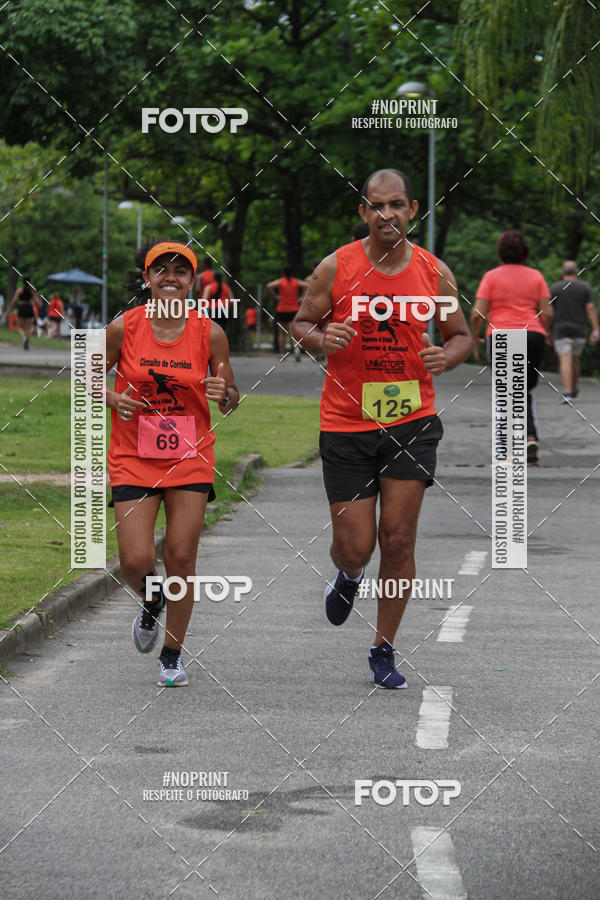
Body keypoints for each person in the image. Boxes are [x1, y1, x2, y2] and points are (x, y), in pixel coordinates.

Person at [292, 168, 472, 689]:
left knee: (397, 539)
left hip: (412, 422)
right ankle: (348, 576)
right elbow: (302, 323)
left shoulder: (435, 273)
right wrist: (321, 338)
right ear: (363, 212)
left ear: (413, 210)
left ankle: (384, 647)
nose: (386, 215)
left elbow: (461, 335)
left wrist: (448, 356)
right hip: (346, 423)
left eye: (397, 205)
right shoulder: (337, 267)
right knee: (357, 546)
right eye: (376, 206)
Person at [105, 239, 239, 687]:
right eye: (160, 270)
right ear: (146, 279)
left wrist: (226, 397)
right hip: (133, 456)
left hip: (190, 457)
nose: (170, 278)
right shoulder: (124, 327)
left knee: (180, 555)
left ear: (192, 282)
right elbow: (86, 374)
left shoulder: (210, 333)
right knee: (134, 560)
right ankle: (151, 599)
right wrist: (111, 396)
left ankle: (172, 654)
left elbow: (230, 397)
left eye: (180, 271)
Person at [471, 231, 553, 464]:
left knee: (505, 393)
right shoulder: (536, 276)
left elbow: (477, 313)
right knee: (522, 390)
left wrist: (475, 338)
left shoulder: (491, 277)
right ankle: (529, 437)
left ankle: (505, 450)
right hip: (533, 336)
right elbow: (547, 312)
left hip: (503, 335)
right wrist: (542, 331)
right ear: (524, 252)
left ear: (500, 253)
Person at [549, 260, 599, 402]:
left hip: (561, 330)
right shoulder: (585, 287)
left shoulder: (555, 288)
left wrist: (546, 329)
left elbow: (548, 311)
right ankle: (575, 389)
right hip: (579, 330)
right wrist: (595, 328)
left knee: (565, 360)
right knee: (576, 360)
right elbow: (590, 308)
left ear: (562, 272)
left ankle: (568, 392)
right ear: (576, 272)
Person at [267, 265, 309, 359]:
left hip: (281, 309)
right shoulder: (295, 282)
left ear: (283, 273)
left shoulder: (281, 281)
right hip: (294, 309)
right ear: (292, 273)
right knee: (293, 332)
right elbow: (306, 285)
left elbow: (269, 285)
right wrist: (302, 297)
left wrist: (276, 296)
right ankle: (297, 350)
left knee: (282, 334)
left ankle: (282, 353)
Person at [6, 275, 38, 350]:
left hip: (22, 308)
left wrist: (9, 309)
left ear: (22, 282)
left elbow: (14, 301)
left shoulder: (19, 290)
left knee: (19, 327)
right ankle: (27, 340)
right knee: (29, 327)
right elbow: (37, 301)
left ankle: (24, 339)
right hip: (29, 308)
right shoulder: (32, 290)